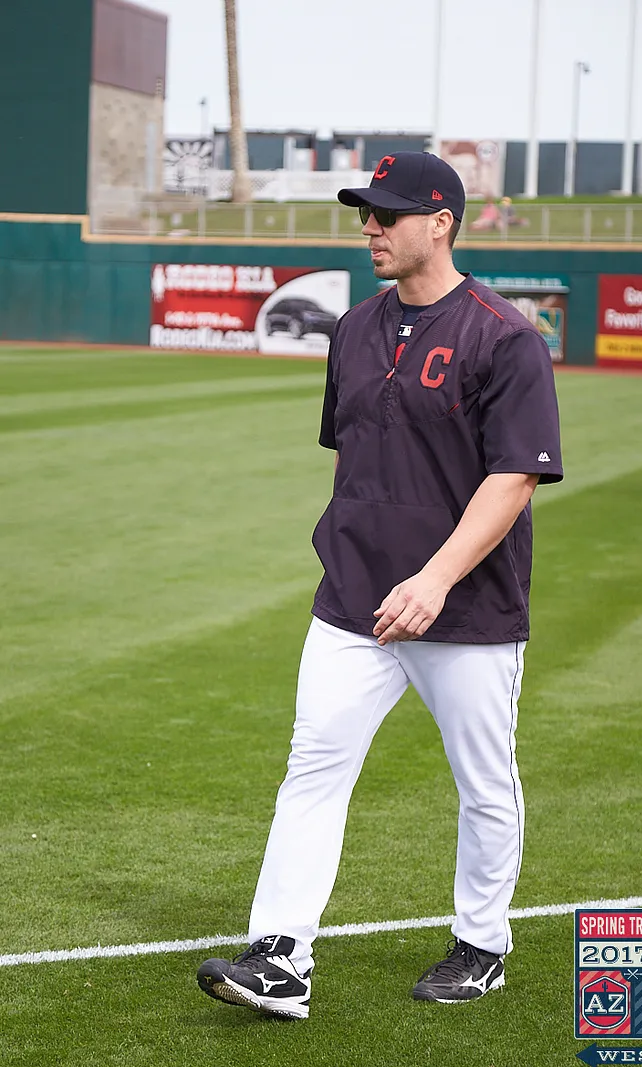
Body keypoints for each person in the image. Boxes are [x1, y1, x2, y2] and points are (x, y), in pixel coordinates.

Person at [197, 151, 563, 1020]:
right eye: (366, 212)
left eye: (388, 213)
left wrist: (435, 578)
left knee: (484, 782)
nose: (370, 226)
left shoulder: (503, 336)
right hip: (355, 596)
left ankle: (483, 942)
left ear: (440, 222)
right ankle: (281, 955)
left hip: (465, 605)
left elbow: (512, 478)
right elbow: (359, 456)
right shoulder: (355, 327)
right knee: (313, 766)